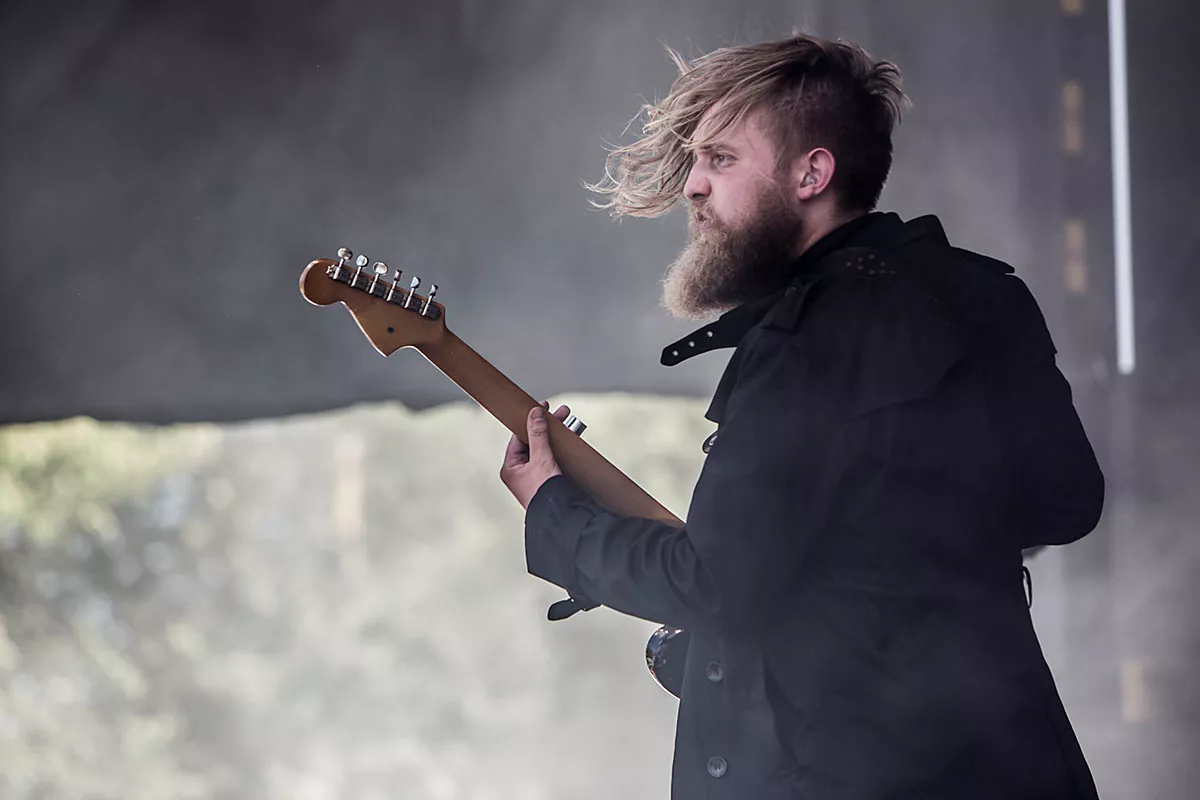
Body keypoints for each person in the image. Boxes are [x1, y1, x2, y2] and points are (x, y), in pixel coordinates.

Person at [500, 33, 1104, 799]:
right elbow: (1068, 502)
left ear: (812, 172)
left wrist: (555, 513)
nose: (693, 187)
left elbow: (713, 585)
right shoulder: (984, 294)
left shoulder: (804, 341)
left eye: (720, 160)